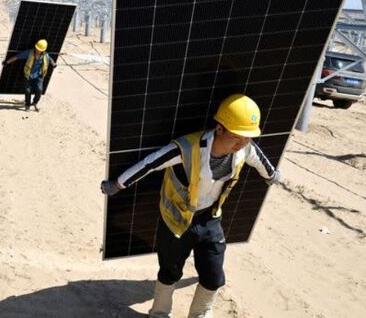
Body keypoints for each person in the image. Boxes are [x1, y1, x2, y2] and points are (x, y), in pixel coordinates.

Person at [100, 94, 281, 318]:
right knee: (170, 272)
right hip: (177, 220)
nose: (242, 143)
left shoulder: (245, 148)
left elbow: (261, 161)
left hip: (210, 218)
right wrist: (118, 184)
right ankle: (159, 313)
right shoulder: (187, 148)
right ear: (219, 128)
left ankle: (200, 313)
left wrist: (271, 176)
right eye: (237, 137)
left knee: (213, 276)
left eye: (247, 138)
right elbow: (150, 163)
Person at [1, 39, 57, 112]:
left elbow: (50, 59)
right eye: (37, 48)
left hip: (39, 76)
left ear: (43, 50)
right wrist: (7, 62)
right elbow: (17, 57)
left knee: (39, 90)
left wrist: (54, 64)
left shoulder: (45, 55)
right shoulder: (29, 53)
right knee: (27, 91)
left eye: (39, 49)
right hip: (28, 75)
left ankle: (35, 103)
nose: (37, 50)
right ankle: (27, 105)